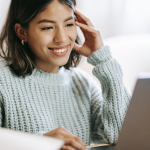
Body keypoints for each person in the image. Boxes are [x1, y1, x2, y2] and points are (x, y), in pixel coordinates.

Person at [0, 0, 131, 149]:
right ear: (22, 32)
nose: (61, 38)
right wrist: (39, 144)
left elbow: (123, 137)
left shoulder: (83, 83)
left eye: (69, 24)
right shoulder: (2, 80)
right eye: (48, 27)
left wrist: (104, 60)